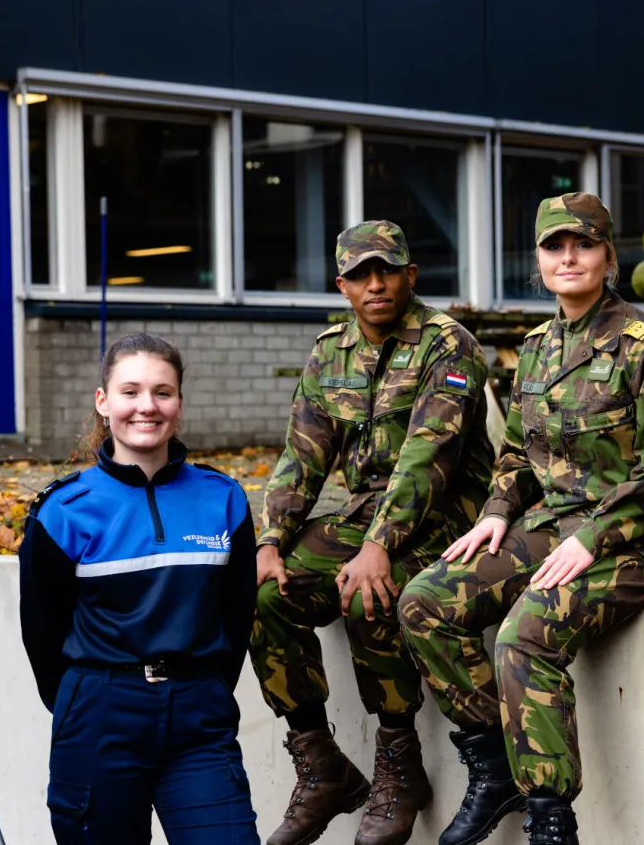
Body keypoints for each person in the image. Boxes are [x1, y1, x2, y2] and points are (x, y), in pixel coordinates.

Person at [400, 193, 644, 845]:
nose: (569, 257)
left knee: (525, 634)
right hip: (552, 525)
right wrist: (499, 512)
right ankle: (494, 760)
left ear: (608, 255)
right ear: (538, 261)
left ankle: (551, 818)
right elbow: (517, 455)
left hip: (640, 536)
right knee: (425, 601)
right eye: (554, 246)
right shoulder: (536, 348)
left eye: (583, 244)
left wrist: (594, 535)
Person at [252, 220, 494, 845]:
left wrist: (376, 548)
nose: (376, 283)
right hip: (365, 517)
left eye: (387, 269)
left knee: (369, 593)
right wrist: (271, 540)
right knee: (263, 595)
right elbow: (302, 455)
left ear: (411, 275)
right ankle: (322, 764)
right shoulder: (330, 351)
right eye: (360, 274)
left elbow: (427, 459)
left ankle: (398, 764)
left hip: (449, 520)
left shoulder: (449, 345)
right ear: (342, 285)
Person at [20, 333, 259, 845]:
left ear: (179, 402)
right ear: (103, 402)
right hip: (99, 717)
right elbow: (41, 629)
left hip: (200, 720)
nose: (146, 406)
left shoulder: (225, 499)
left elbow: (237, 617)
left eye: (162, 392)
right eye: (130, 392)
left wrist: (207, 688)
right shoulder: (63, 509)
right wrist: (84, 700)